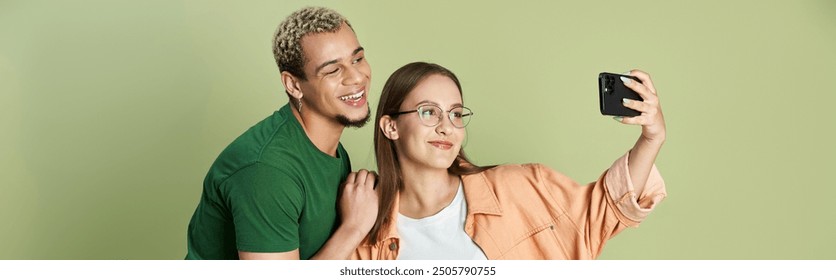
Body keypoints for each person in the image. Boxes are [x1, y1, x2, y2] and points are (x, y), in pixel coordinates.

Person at [352, 62, 667, 259]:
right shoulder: (368, 234)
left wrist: (652, 139)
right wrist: (350, 229)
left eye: (456, 113)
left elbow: (602, 209)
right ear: (391, 126)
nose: (447, 126)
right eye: (428, 111)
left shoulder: (519, 188)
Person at [186, 6, 378, 260]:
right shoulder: (266, 170)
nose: (356, 77)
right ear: (294, 85)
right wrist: (353, 228)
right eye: (333, 70)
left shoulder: (331, 150)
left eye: (357, 59)